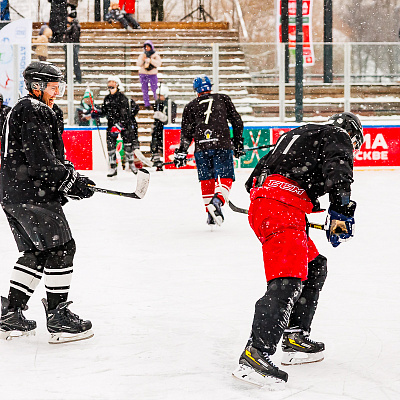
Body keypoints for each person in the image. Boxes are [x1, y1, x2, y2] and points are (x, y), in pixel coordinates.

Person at [232, 112, 364, 388]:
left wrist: (294, 206)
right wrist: (341, 212)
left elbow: (252, 182)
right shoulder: (337, 135)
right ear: (351, 134)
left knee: (315, 265)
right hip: (281, 210)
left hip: (274, 207)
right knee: (287, 280)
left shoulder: (298, 133)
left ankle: (294, 337)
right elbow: (339, 169)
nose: (351, 150)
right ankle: (255, 355)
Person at [0, 61, 96, 343]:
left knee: (37, 253)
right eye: (54, 87)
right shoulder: (33, 109)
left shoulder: (28, 109)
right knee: (62, 249)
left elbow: (48, 159)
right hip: (30, 193)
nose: (57, 93)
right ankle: (58, 318)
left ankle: (11, 312)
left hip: (14, 193)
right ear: (37, 86)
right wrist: (68, 180)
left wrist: (71, 181)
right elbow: (42, 161)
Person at [174, 75, 244, 226]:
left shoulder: (190, 106)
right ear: (209, 87)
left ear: (196, 90)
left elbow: (186, 133)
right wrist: (238, 143)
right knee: (226, 176)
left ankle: (210, 215)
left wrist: (182, 151)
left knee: (206, 180)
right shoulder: (223, 99)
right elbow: (237, 121)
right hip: (221, 144)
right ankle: (218, 201)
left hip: (202, 147)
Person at [92, 76, 142, 177]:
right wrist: (98, 113)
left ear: (117, 85)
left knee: (128, 145)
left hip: (124, 125)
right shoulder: (107, 98)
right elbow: (105, 111)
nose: (110, 86)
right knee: (111, 146)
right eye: (109, 84)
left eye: (113, 83)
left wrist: (119, 125)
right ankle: (113, 167)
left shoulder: (122, 98)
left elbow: (126, 114)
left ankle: (131, 164)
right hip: (111, 125)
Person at [150, 83, 177, 171]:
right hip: (157, 127)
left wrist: (163, 117)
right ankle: (156, 160)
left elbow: (171, 117)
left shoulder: (170, 104)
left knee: (163, 145)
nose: (158, 97)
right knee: (154, 143)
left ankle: (166, 161)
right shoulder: (157, 103)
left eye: (160, 95)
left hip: (165, 128)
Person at [137, 40, 162, 110]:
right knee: (144, 90)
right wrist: (143, 59)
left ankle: (157, 103)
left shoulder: (155, 55)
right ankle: (147, 104)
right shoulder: (142, 55)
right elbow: (138, 64)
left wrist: (150, 60)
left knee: (155, 89)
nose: (147, 48)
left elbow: (158, 63)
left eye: (148, 47)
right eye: (146, 47)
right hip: (143, 74)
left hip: (152, 74)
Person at [64, 10, 82, 84]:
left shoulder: (74, 26)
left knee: (73, 62)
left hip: (72, 47)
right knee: (72, 62)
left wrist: (67, 40)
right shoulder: (74, 25)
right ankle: (70, 77)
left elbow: (74, 37)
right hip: (72, 47)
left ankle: (75, 77)